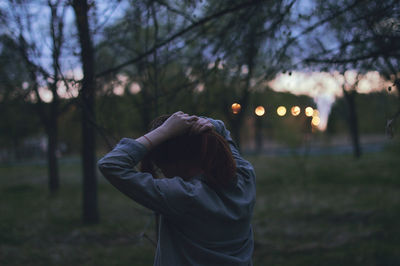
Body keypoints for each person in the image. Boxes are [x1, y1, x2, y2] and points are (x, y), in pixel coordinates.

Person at [98, 111, 256, 266]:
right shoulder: (244, 177)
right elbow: (220, 127)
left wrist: (164, 131)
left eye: (160, 168)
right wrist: (196, 124)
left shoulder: (183, 196)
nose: (163, 174)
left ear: (173, 163)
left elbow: (111, 164)